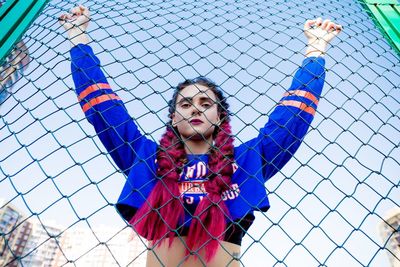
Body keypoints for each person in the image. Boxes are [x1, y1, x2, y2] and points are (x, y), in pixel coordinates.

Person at [59, 5, 342, 267]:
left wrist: (315, 49)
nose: (195, 108)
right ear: (173, 118)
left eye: (206, 104)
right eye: (185, 103)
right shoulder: (147, 158)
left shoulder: (245, 161)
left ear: (220, 117)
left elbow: (291, 118)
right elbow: (104, 109)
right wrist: (78, 38)